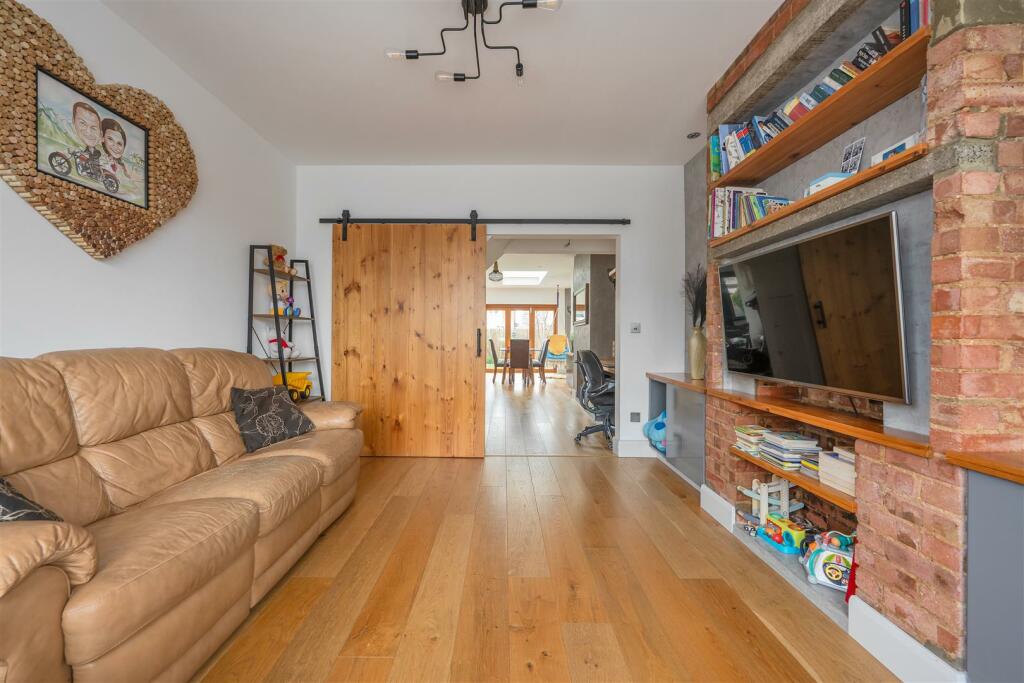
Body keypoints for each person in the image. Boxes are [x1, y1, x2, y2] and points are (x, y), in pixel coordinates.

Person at [71, 101, 102, 176]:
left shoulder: (96, 152)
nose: (88, 132)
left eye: (93, 128)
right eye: (82, 123)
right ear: (73, 121)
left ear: (100, 133)